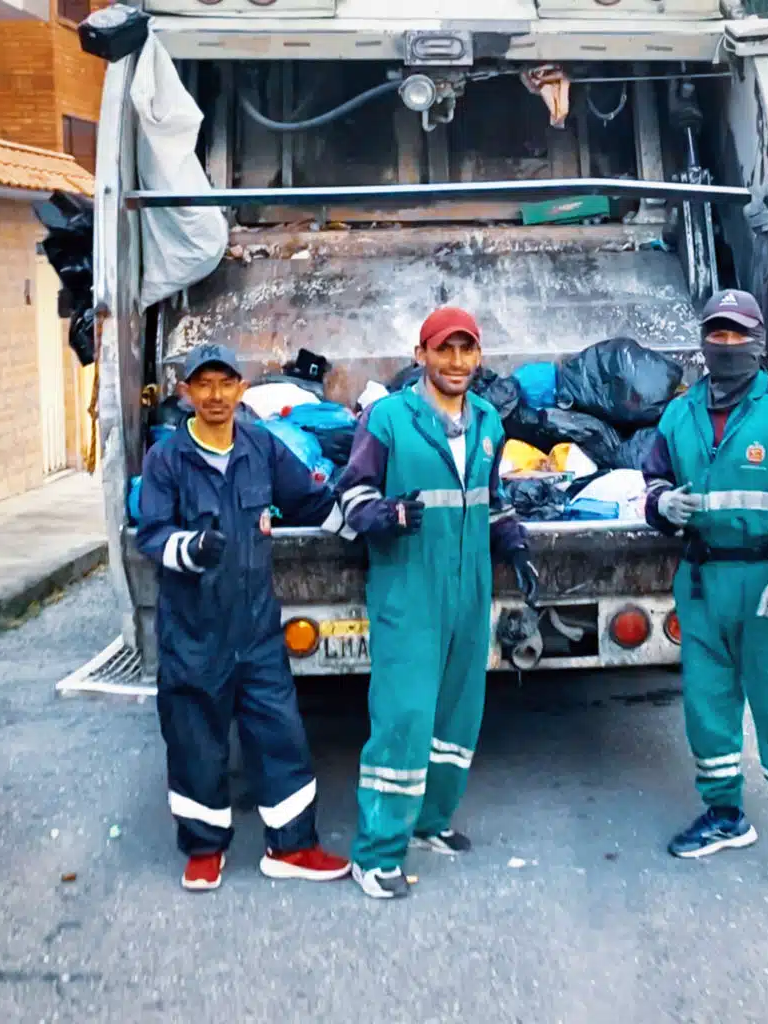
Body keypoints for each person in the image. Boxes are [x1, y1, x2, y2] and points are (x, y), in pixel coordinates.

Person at [337, 307, 538, 899]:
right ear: (420, 355)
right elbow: (351, 495)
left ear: (478, 357)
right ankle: (376, 854)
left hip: (469, 588)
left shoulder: (488, 421)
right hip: (409, 588)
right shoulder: (387, 419)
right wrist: (386, 514)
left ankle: (430, 821)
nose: (455, 361)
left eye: (466, 350)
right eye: (443, 349)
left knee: (459, 712)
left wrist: (515, 544)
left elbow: (492, 499)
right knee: (404, 718)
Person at [642, 289, 768, 895]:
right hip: (702, 582)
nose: (726, 345)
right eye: (717, 334)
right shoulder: (679, 414)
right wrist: (661, 504)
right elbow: (652, 479)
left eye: (738, 335)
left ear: (759, 343)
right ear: (703, 342)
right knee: (707, 707)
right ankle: (725, 813)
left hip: (767, 582)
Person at [137, 343, 352, 891]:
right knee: (195, 742)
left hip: (256, 629)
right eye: (203, 384)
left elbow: (309, 500)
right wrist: (189, 548)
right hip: (194, 632)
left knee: (281, 735)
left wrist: (367, 520)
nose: (215, 395)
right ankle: (204, 849)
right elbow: (152, 535)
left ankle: (293, 846)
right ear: (185, 392)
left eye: (225, 383)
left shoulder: (261, 445)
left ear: (240, 389)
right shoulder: (166, 459)